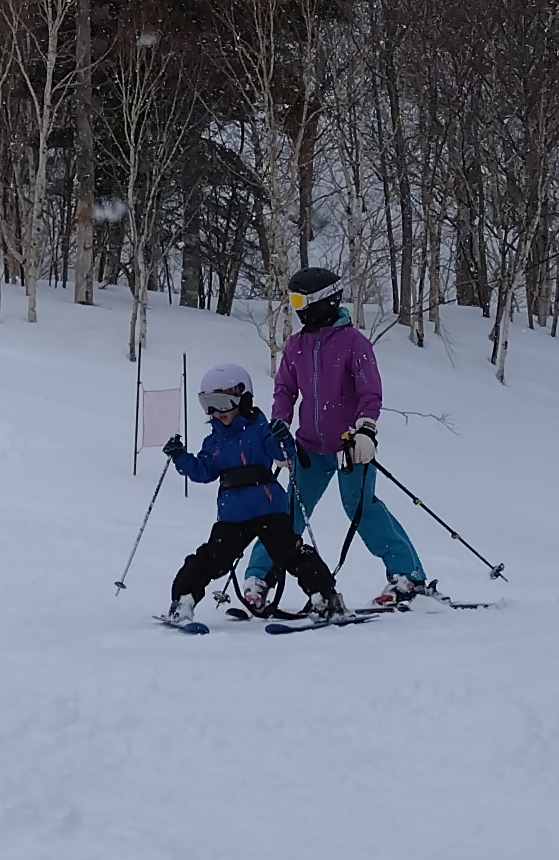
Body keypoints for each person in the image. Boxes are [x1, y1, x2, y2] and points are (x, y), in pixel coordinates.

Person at [241, 266, 433, 612]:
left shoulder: (353, 343)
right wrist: (279, 430)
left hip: (349, 447)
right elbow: (284, 390)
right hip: (309, 449)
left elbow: (369, 391)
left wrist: (365, 429)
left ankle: (408, 576)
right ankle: (259, 577)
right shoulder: (297, 345)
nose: (296, 307)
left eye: (300, 300)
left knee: (361, 509)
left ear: (322, 301)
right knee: (287, 514)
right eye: (292, 300)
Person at [162, 361, 342, 624]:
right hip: (232, 515)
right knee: (212, 558)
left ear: (243, 398)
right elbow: (204, 471)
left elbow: (283, 454)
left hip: (268, 509)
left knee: (290, 554)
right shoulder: (214, 440)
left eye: (222, 403)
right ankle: (183, 600)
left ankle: (326, 599)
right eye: (208, 404)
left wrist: (282, 437)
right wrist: (180, 457)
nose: (216, 412)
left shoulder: (260, 430)